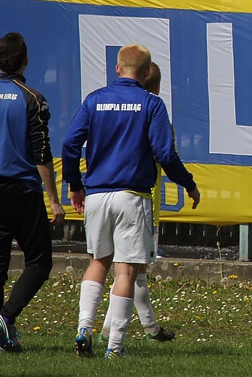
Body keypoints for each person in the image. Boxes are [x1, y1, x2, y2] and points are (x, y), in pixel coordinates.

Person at [62, 44, 201, 359]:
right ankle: (115, 348)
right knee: (125, 271)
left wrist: (75, 184)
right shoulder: (151, 103)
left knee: (98, 262)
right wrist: (188, 184)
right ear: (148, 72)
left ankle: (84, 328)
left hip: (96, 194)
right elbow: (165, 153)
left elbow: (70, 143)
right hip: (132, 197)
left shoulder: (95, 99)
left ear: (116, 68)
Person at [0, 33, 63, 354]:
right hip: (23, 189)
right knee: (40, 261)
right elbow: (41, 152)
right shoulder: (31, 98)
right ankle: (6, 318)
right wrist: (53, 198)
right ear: (26, 61)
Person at [99, 62, 175, 344]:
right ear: (155, 87)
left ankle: (132, 327)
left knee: (125, 268)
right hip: (142, 202)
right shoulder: (155, 112)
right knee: (134, 270)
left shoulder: (111, 109)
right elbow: (165, 154)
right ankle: (142, 330)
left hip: (106, 197)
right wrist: (188, 184)